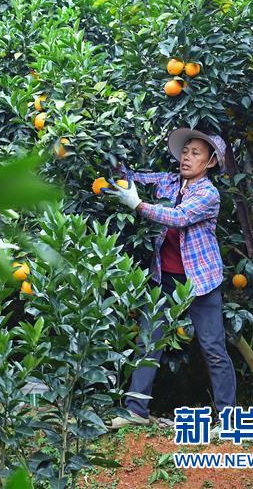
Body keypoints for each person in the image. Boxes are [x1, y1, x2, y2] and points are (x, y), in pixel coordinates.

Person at [102, 128, 237, 437]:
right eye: (185, 151)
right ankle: (136, 411)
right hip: (165, 278)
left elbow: (178, 217)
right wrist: (112, 155)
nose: (187, 157)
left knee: (213, 348)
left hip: (200, 281)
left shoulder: (208, 194)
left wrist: (137, 205)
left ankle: (228, 421)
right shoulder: (168, 181)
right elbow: (134, 179)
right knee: (148, 341)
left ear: (210, 162)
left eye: (195, 153)